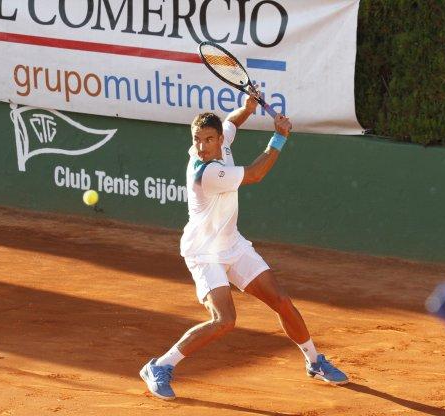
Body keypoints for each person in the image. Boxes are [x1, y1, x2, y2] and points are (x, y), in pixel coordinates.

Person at [140, 91, 348, 400]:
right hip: (204, 252)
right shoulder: (205, 171)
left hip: (232, 244)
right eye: (197, 140)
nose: (202, 146)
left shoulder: (223, 141)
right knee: (224, 320)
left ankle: (314, 360)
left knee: (281, 300)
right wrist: (278, 138)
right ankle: (160, 366)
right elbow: (255, 174)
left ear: (219, 139)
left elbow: (231, 121)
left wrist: (248, 108)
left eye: (209, 139)